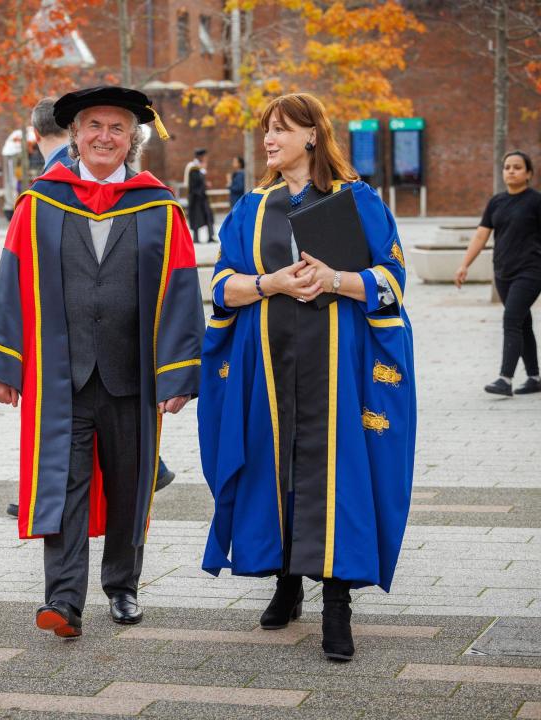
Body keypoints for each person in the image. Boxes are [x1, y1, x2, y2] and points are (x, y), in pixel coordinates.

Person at [0, 86, 204, 639]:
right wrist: (4, 363)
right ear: (74, 134)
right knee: (64, 483)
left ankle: (122, 587)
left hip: (132, 376)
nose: (104, 136)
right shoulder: (41, 202)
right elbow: (11, 285)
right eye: (93, 125)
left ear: (132, 139)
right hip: (61, 377)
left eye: (117, 128)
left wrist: (179, 372)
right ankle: (63, 599)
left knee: (130, 484)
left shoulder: (160, 207)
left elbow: (181, 292)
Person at [199, 93, 416, 662]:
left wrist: (336, 277)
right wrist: (272, 283)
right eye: (267, 130)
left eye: (281, 129)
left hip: (336, 369)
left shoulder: (356, 200)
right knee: (277, 469)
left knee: (336, 478)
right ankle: (286, 581)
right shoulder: (252, 207)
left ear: (313, 135)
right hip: (269, 368)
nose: (269, 140)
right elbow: (221, 287)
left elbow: (392, 281)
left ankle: (337, 603)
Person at [455, 150, 541, 396]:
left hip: (531, 271)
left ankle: (505, 378)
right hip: (503, 271)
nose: (511, 171)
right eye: (507, 167)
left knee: (511, 319)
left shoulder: (536, 201)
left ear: (529, 173)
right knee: (523, 323)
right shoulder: (496, 202)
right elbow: (482, 234)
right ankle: (535, 378)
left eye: (517, 167)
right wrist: (464, 264)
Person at [187, 148, 214, 243]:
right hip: (196, 198)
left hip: (202, 196)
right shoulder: (193, 168)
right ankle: (196, 238)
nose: (206, 158)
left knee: (208, 215)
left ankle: (211, 236)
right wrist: (204, 183)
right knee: (196, 217)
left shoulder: (199, 168)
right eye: (204, 156)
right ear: (200, 157)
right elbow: (194, 183)